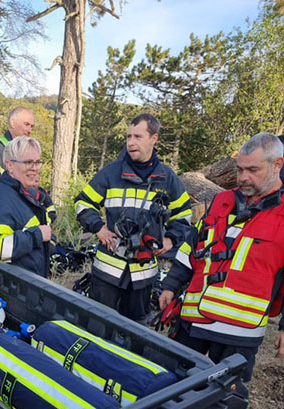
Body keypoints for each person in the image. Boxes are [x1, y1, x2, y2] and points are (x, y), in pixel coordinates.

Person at [159, 132, 284, 382]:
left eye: (253, 170)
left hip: (240, 333)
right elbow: (191, 247)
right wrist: (171, 285)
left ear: (277, 165)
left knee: (223, 401)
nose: (243, 177)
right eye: (239, 169)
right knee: (169, 385)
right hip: (192, 321)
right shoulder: (222, 201)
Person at [74, 113, 192, 325]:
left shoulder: (167, 178)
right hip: (107, 270)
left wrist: (170, 240)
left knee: (136, 330)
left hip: (143, 273)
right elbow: (83, 203)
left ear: (153, 139)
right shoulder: (111, 172)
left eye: (137, 137)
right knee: (99, 326)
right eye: (128, 137)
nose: (131, 143)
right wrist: (99, 228)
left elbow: (184, 214)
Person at [0, 136, 55, 277]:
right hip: (13, 288)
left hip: (31, 283)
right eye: (28, 162)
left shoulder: (21, 192)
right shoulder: (0, 198)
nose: (34, 168)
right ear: (9, 165)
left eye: (37, 162)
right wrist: (37, 235)